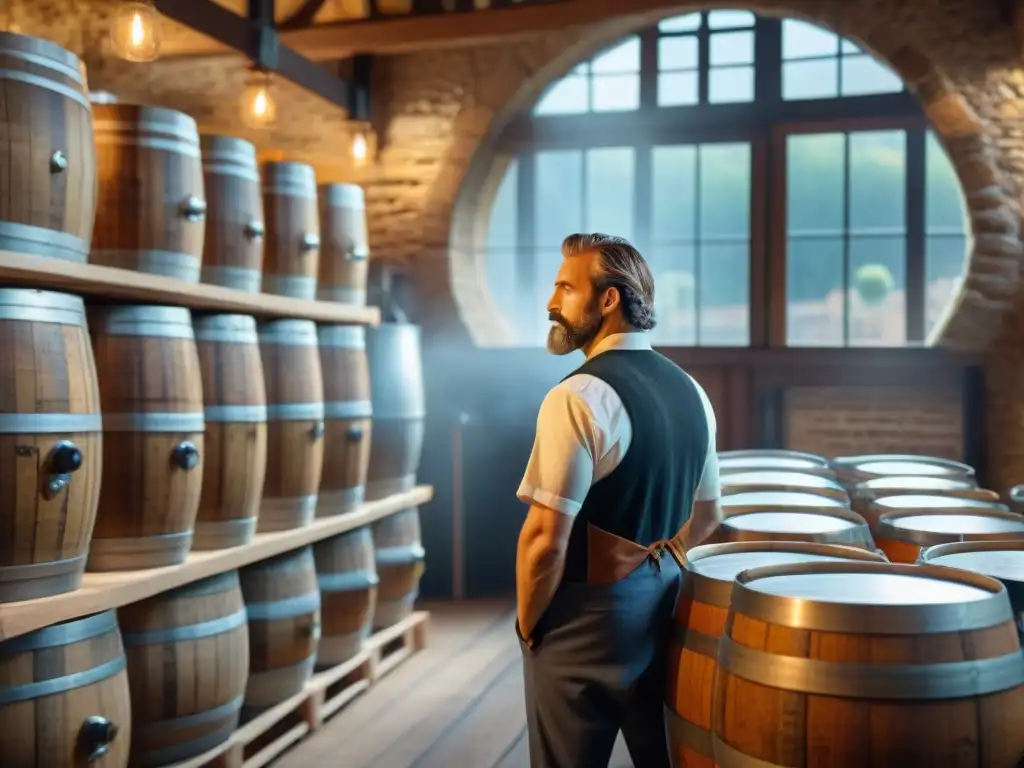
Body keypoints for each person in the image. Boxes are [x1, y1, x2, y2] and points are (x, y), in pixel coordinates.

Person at [514, 233, 723, 768]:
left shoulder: (576, 396)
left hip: (587, 619)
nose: (551, 303)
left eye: (565, 287)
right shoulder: (692, 390)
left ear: (609, 300)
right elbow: (709, 518)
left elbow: (544, 542)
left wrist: (529, 625)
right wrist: (654, 567)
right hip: (669, 602)